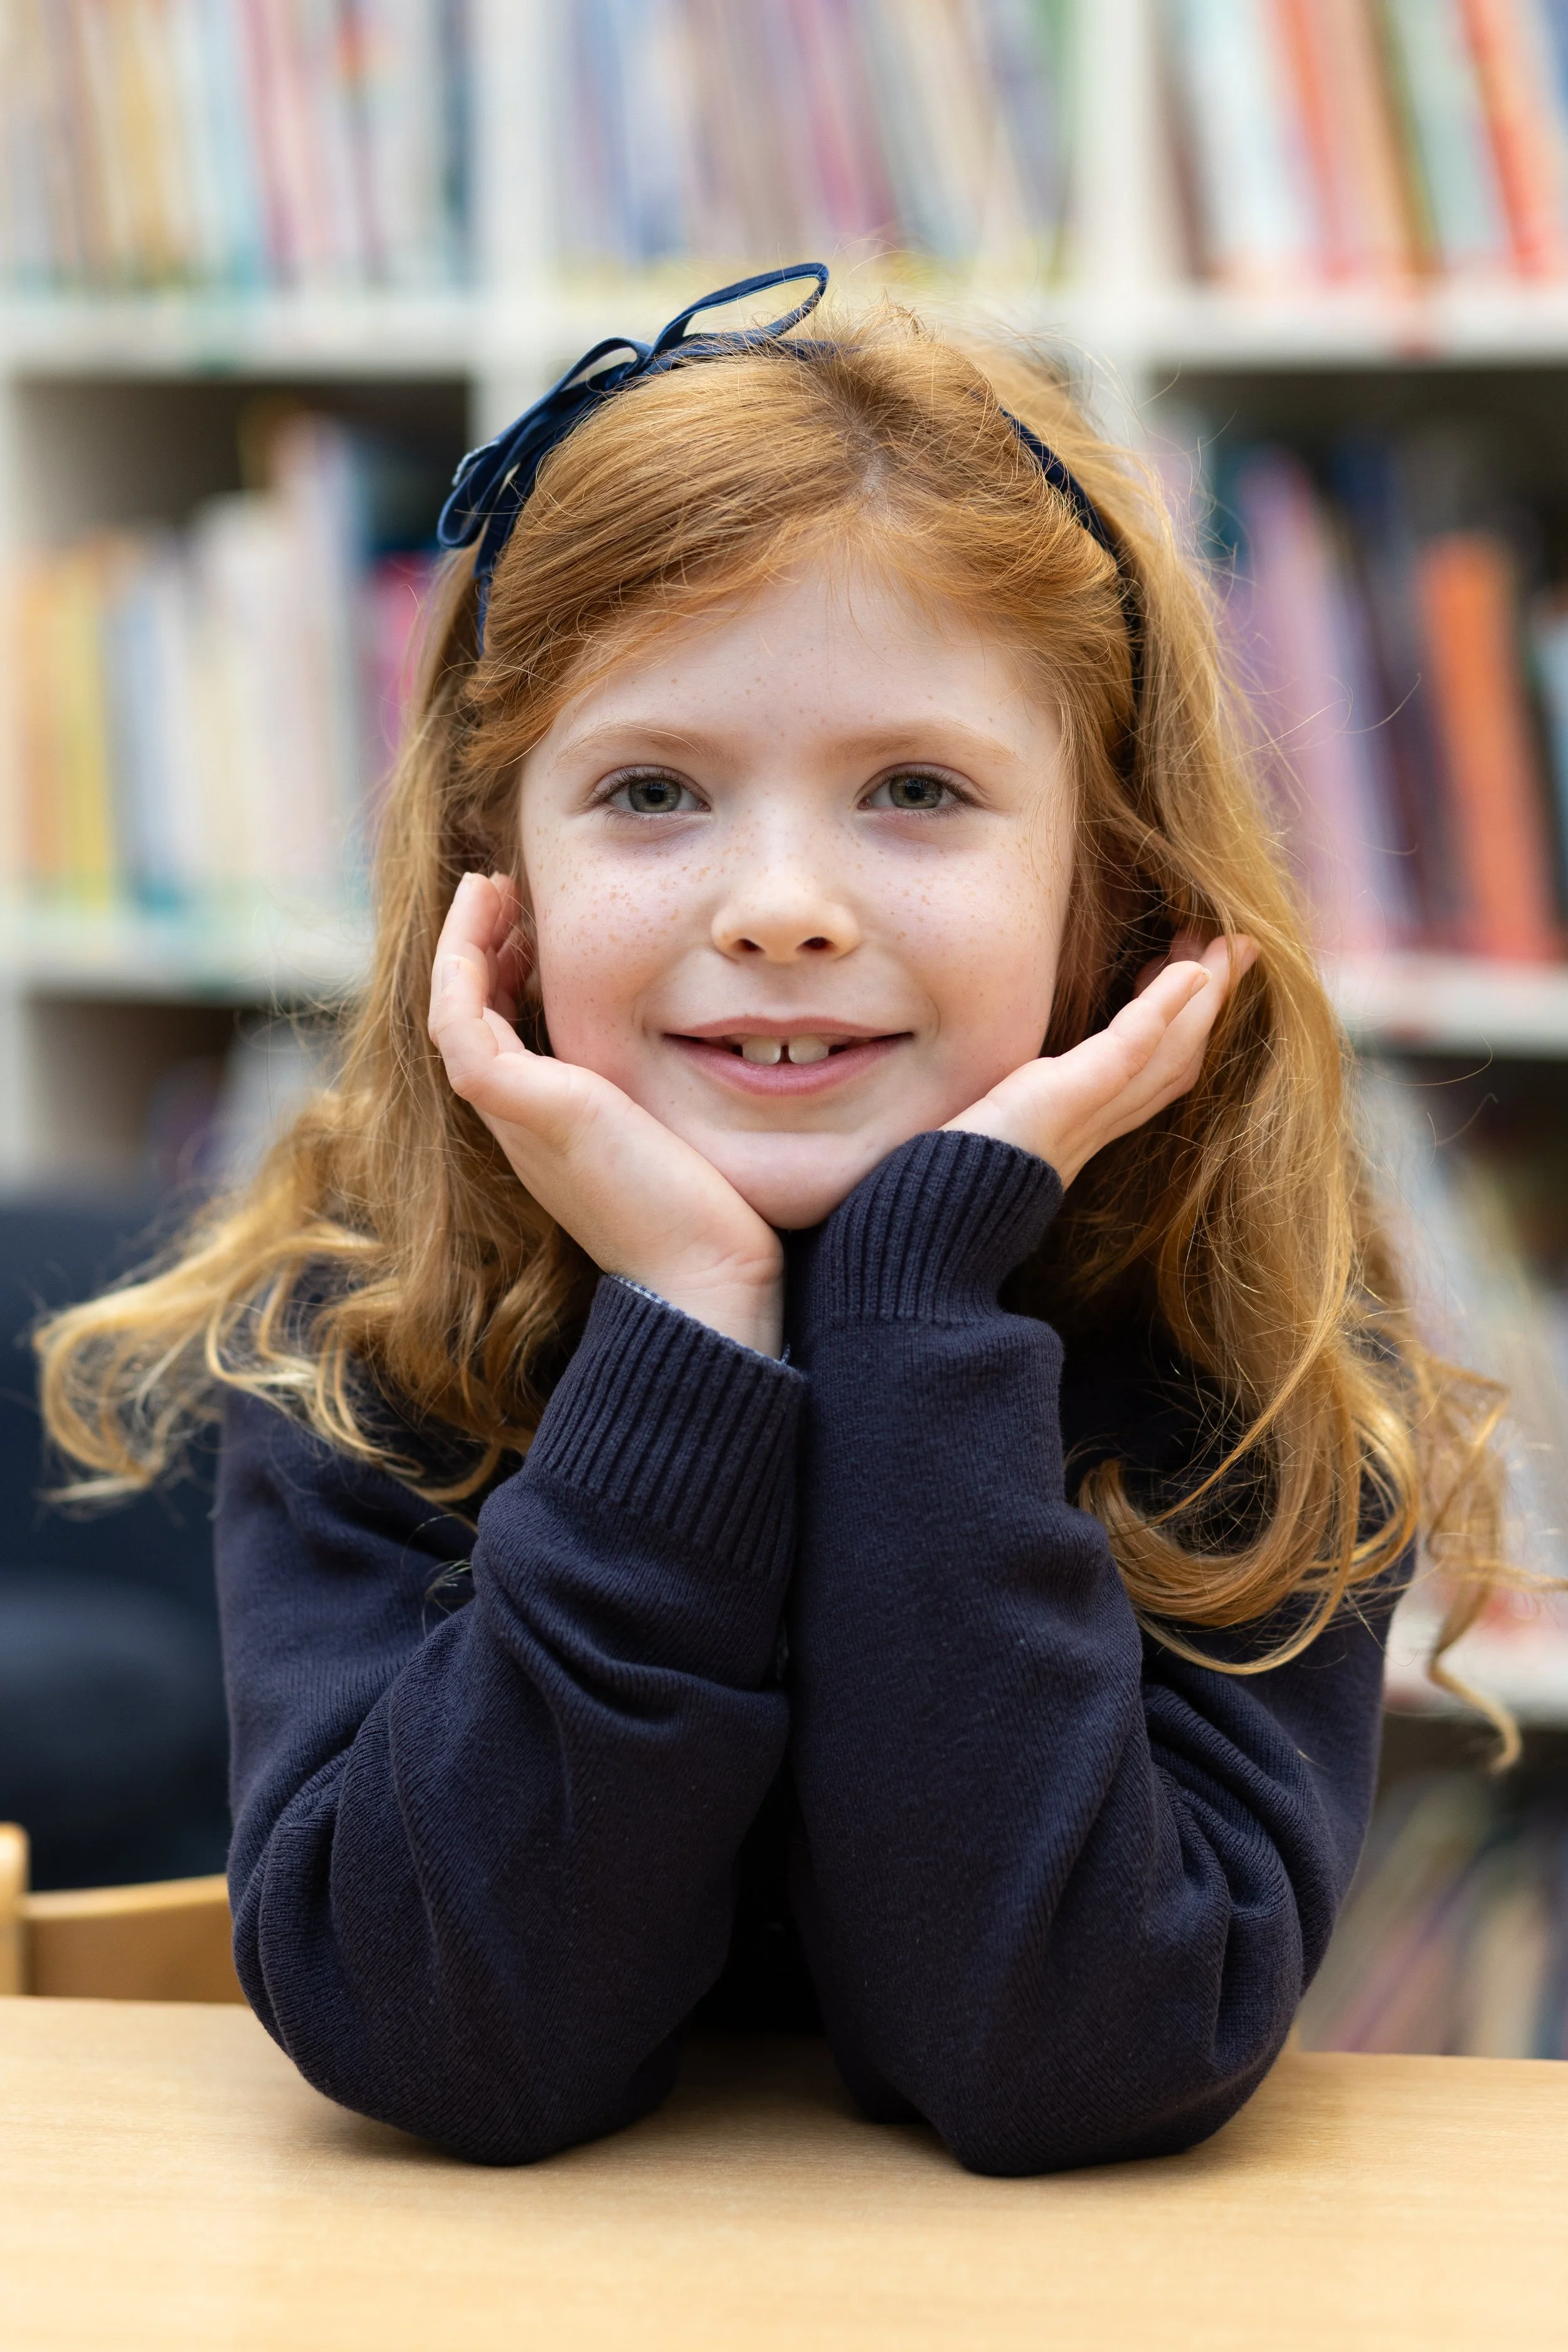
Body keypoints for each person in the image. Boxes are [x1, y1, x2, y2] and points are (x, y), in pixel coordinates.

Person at [36, 268, 1502, 2174]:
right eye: (651, 791)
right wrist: (686, 1321)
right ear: (505, 891)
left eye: (915, 789)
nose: (782, 903)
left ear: (1114, 885)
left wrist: (907, 1314)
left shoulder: (1248, 1342)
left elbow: (1075, 2055)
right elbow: (435, 2035)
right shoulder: (362, 1330)